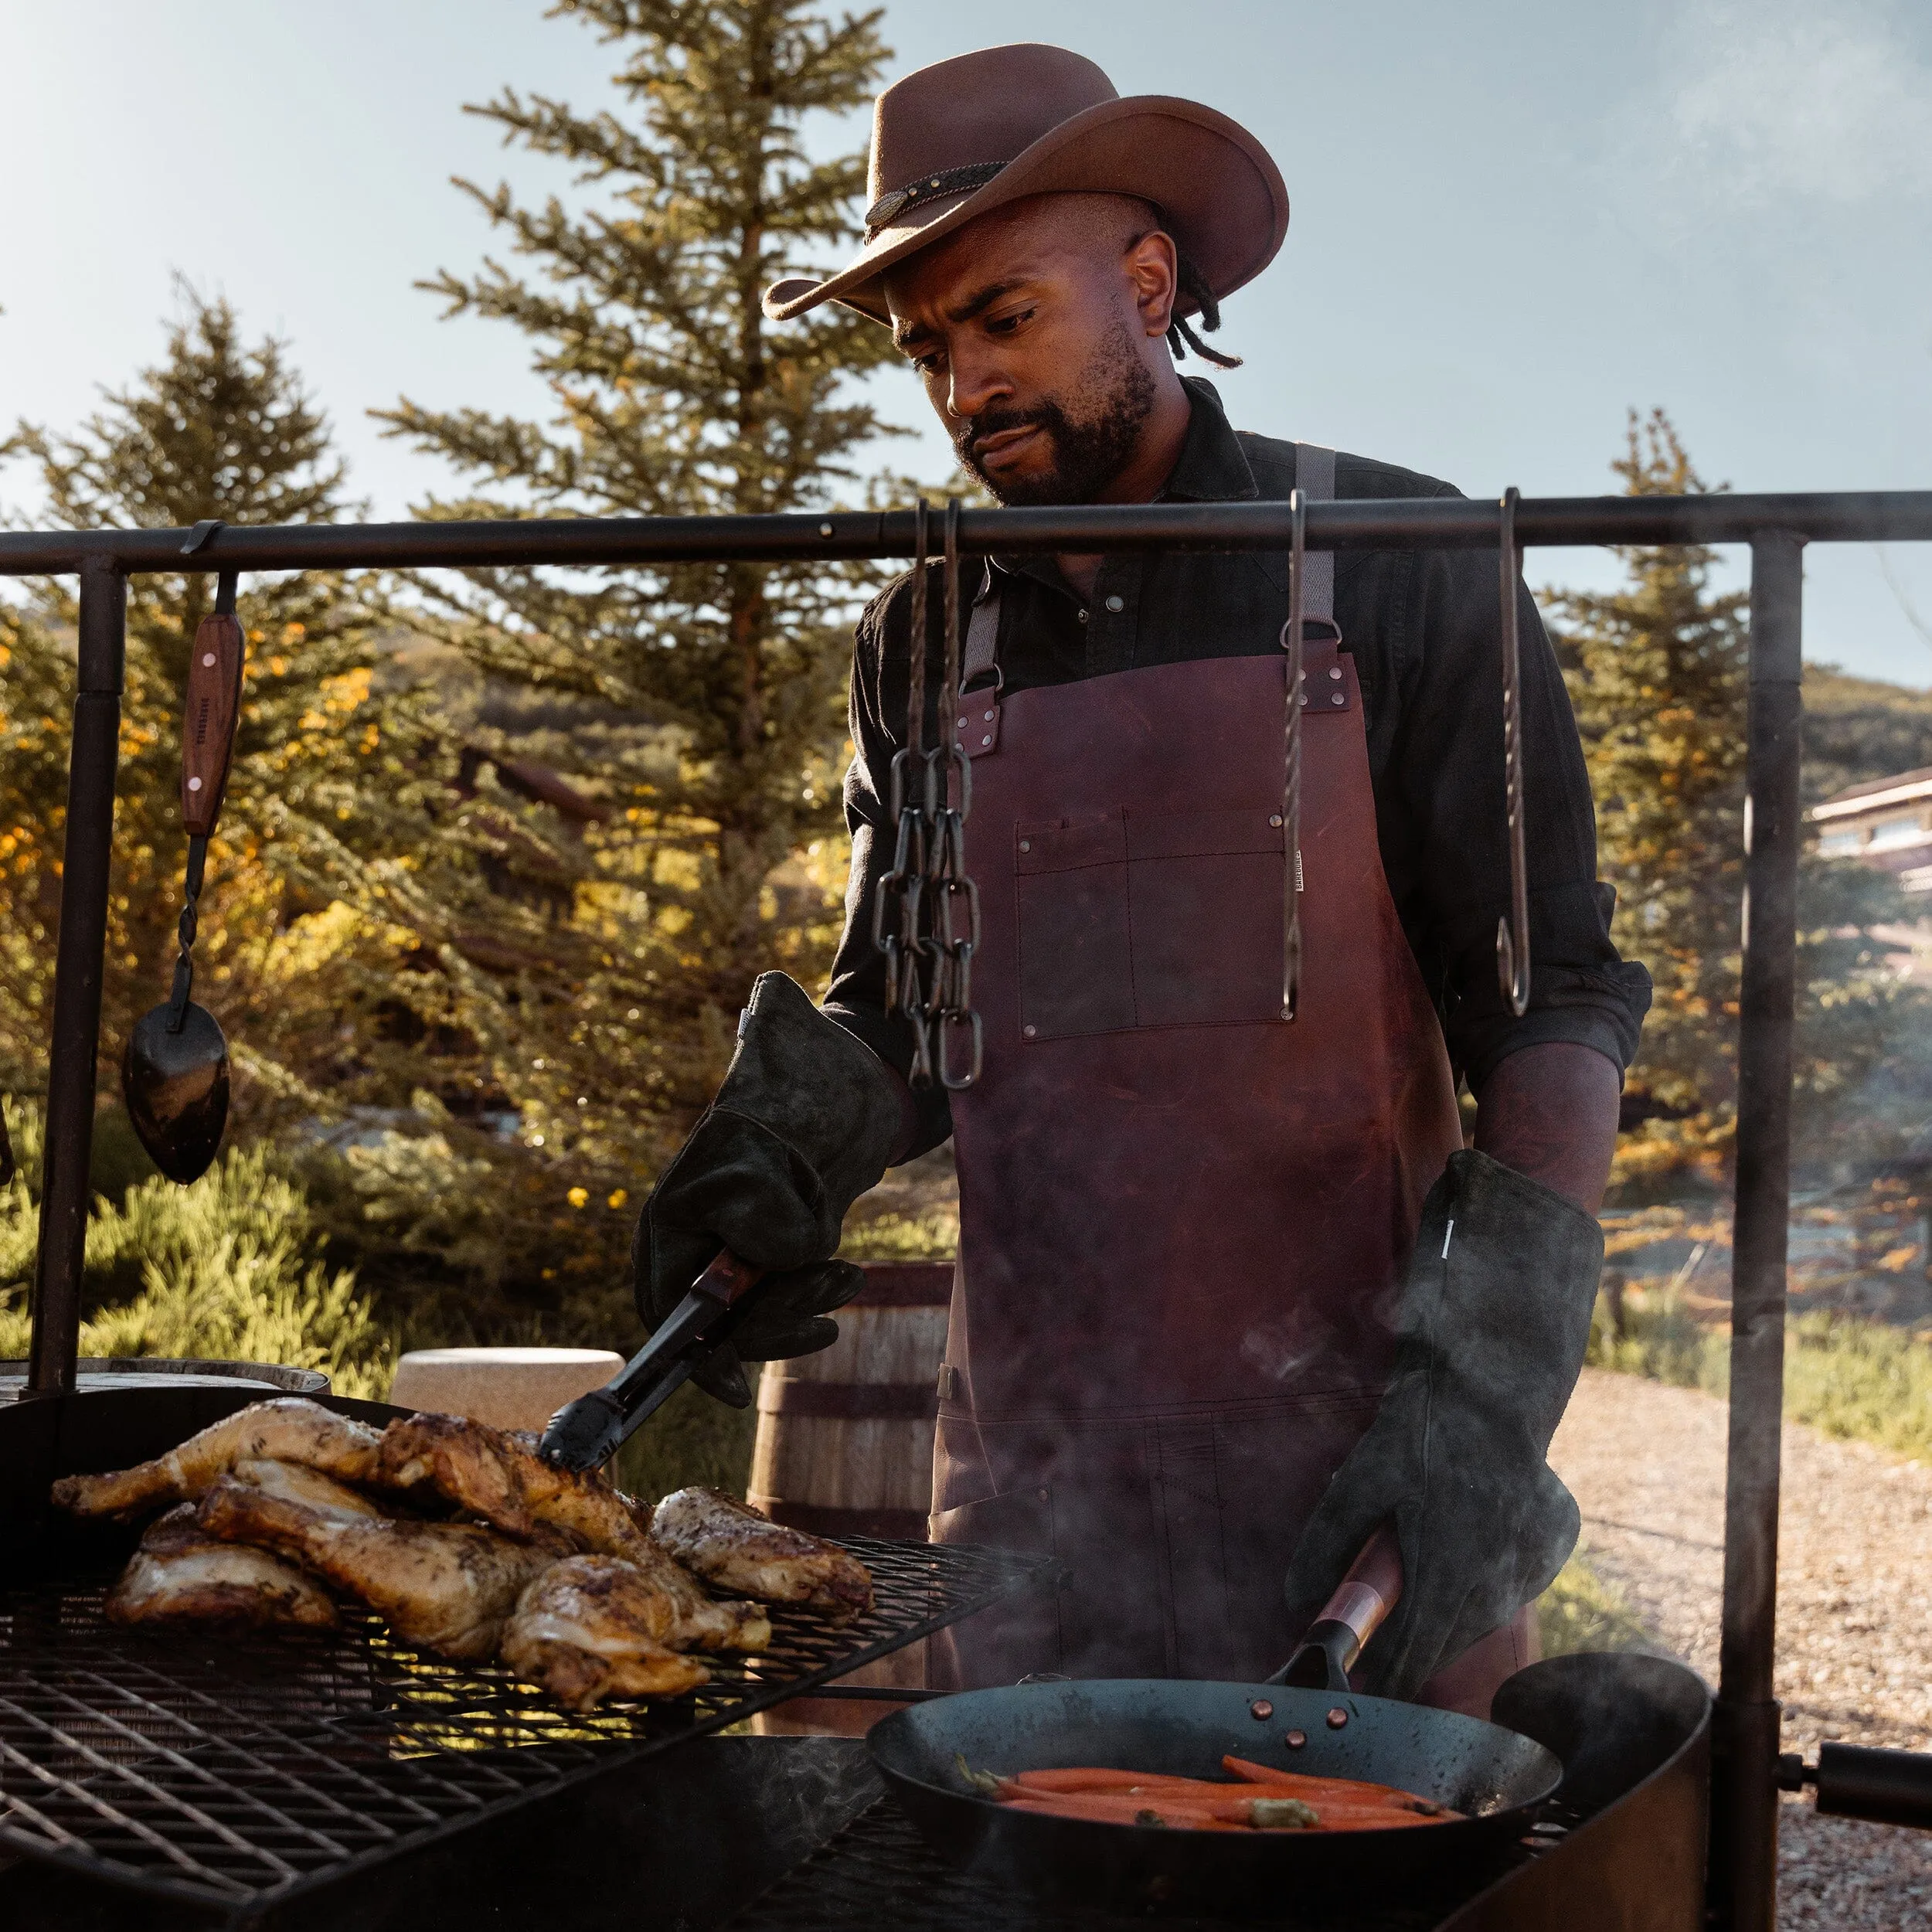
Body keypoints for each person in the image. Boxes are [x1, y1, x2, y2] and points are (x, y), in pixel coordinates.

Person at [634, 45, 1649, 1716]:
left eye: (1002, 315)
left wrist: (1480, 1394)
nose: (961, 383)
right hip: (1037, 1482)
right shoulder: (914, 638)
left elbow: (1552, 1002)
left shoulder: (1403, 561)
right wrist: (782, 1144)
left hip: (1365, 1472)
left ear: (1149, 280)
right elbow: (897, 999)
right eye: (924, 346)